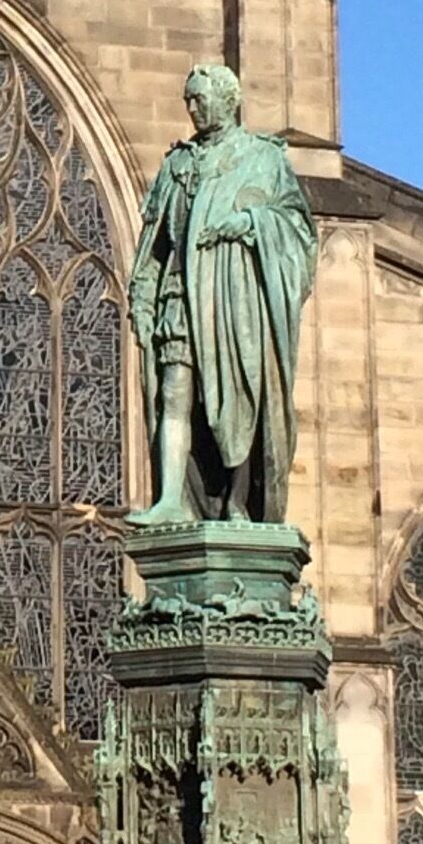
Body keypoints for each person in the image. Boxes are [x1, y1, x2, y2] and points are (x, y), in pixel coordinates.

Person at [127, 65, 316, 525]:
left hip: (235, 304)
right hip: (180, 294)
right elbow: (155, 243)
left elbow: (298, 231)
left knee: (241, 399)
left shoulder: (263, 158)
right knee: (174, 392)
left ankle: (237, 502)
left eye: (199, 98)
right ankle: (171, 498)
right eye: (187, 100)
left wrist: (251, 225)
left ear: (229, 100)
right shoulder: (178, 165)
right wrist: (142, 296)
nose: (192, 108)